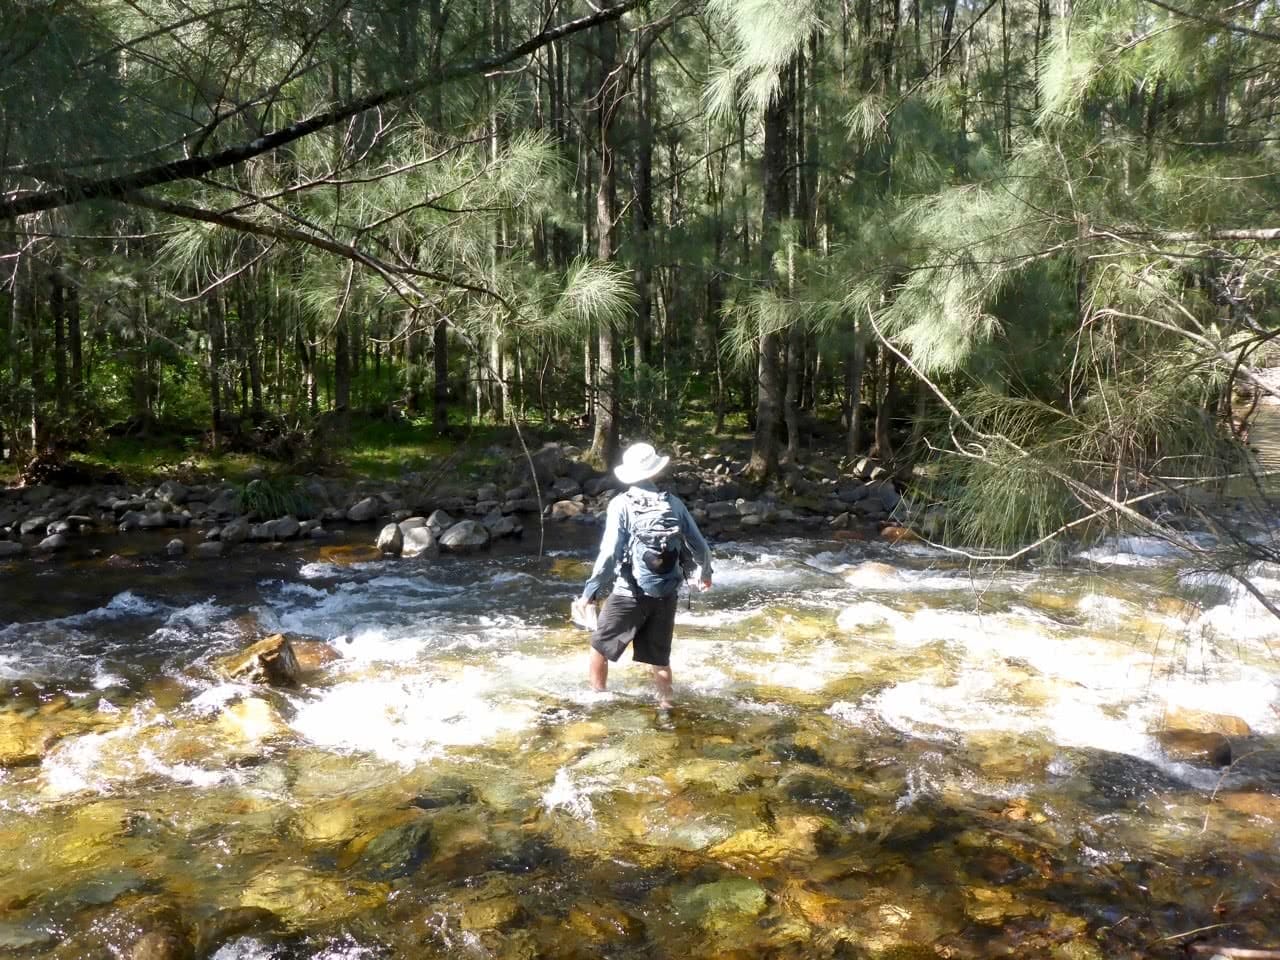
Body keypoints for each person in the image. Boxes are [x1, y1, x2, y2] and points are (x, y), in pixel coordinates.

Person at [578, 442, 713, 709]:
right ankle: (666, 708)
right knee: (660, 660)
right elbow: (700, 545)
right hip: (666, 592)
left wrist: (590, 591)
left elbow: (609, 553)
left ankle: (597, 701)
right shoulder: (674, 504)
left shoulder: (621, 504)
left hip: (629, 592)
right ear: (654, 471)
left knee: (599, 647)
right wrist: (705, 573)